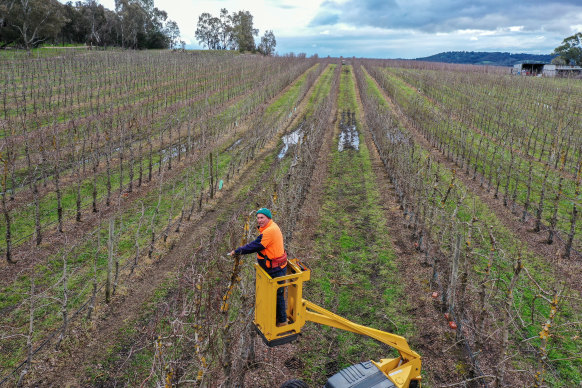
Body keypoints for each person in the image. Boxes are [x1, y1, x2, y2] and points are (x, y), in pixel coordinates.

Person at [229, 208, 288, 326]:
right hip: (274, 267)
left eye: (262, 218)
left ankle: (282, 321)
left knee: (278, 294)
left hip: (275, 269)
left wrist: (238, 251)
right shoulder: (270, 228)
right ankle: (277, 317)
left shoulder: (269, 231)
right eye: (258, 218)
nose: (259, 220)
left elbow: (255, 246)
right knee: (275, 294)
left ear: (268, 218)